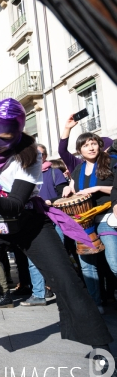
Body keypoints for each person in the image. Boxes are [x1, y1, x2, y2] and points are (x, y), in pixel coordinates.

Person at [0, 98, 113, 373]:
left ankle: (102, 349)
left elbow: (14, 205)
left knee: (67, 281)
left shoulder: (30, 155)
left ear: (17, 134)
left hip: (27, 221)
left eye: (4, 139)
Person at [60, 131, 117, 312]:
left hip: (107, 216)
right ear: (80, 150)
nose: (90, 148)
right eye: (85, 145)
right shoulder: (78, 169)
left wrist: (98, 187)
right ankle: (96, 303)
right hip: (85, 221)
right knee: (87, 266)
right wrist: (69, 189)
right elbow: (75, 189)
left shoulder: (111, 162)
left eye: (93, 143)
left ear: (99, 145)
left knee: (114, 263)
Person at [22, 144, 69, 307]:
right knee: (33, 260)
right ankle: (38, 294)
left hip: (54, 220)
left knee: (57, 258)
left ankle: (63, 293)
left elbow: (64, 195)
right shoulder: (26, 175)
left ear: (45, 155)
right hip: (33, 221)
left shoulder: (55, 173)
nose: (37, 156)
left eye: (40, 153)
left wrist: (51, 202)